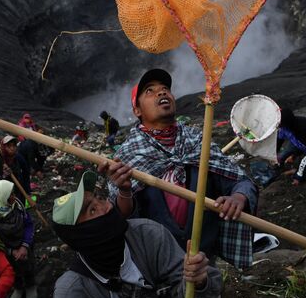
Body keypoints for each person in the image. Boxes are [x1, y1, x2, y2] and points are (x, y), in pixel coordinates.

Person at [101, 69, 258, 269]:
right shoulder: (128, 156)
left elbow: (242, 182)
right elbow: (122, 216)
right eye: (150, 91)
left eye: (165, 89)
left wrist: (238, 198)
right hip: (157, 269)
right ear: (137, 111)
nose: (161, 93)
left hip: (204, 264)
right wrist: (124, 190)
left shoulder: (197, 142)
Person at [52, 171, 221, 298]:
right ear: (81, 236)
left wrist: (198, 279)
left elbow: (191, 286)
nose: (108, 206)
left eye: (99, 199)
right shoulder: (71, 297)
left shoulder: (147, 234)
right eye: (92, 210)